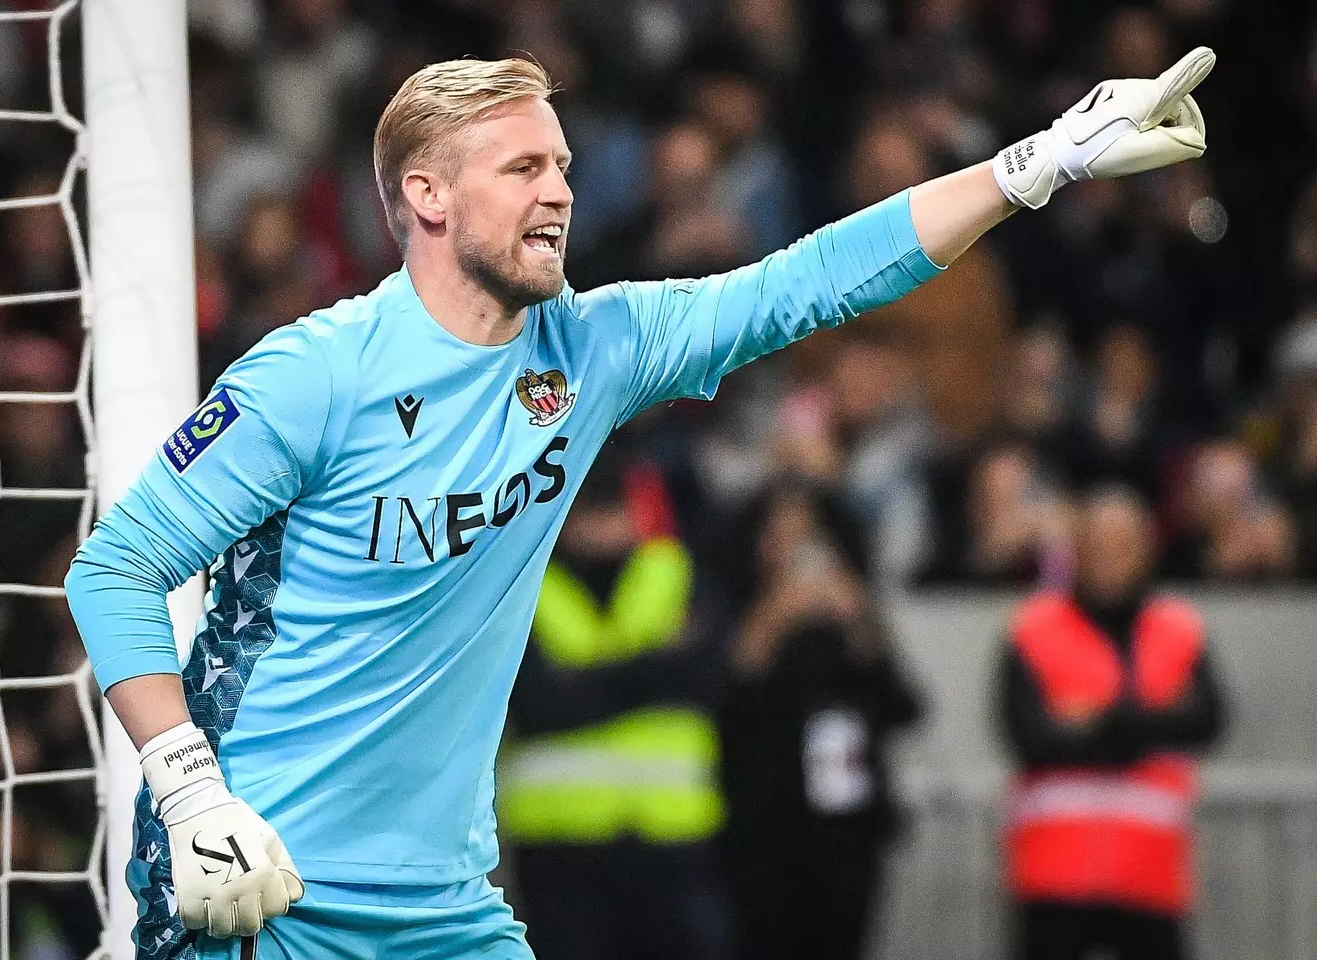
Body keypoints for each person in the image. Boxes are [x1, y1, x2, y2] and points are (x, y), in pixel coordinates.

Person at [64, 47, 1217, 960]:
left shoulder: (593, 351)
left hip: (444, 904)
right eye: (522, 169)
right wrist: (189, 791)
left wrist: (1037, 165)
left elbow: (803, 283)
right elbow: (111, 571)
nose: (560, 191)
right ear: (425, 194)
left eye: (562, 166)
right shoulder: (315, 376)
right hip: (265, 879)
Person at [499, 450, 730, 960]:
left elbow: (711, 678)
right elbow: (539, 706)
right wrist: (657, 667)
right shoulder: (522, 587)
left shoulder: (679, 572)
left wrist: (584, 685)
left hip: (671, 841)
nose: (603, 524)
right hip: (562, 848)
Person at [997, 486, 1227, 960]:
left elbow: (1207, 720)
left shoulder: (1180, 627)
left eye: (1122, 545)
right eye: (1097, 544)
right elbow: (1030, 734)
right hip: (1056, 871)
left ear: (1146, 550)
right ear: (1077, 550)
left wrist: (1094, 720)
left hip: (1149, 870)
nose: (1109, 558)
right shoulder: (1033, 627)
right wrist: (1151, 719)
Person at [720, 482, 923, 960]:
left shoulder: (848, 619)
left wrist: (858, 621)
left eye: (806, 537)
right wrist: (771, 619)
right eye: (780, 536)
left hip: (845, 829)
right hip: (763, 831)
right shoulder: (738, 608)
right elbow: (722, 706)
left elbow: (905, 709)